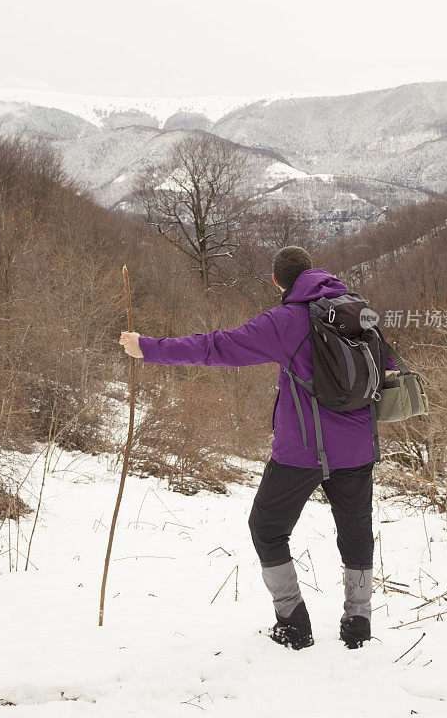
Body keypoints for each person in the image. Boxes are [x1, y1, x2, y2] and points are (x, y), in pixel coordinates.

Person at [119, 246, 398, 650]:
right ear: (316, 271)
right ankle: (358, 625)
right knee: (356, 533)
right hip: (357, 448)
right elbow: (386, 366)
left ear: (276, 281)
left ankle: (293, 622)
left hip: (301, 452)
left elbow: (216, 347)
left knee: (267, 528)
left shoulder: (285, 321)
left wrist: (148, 348)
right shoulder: (359, 311)